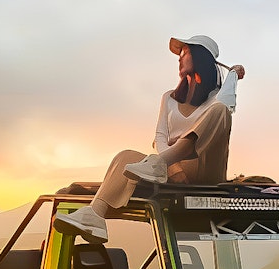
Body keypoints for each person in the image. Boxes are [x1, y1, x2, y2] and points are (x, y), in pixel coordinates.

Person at [54, 34, 245, 243]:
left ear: (201, 57)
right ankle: (95, 214)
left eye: (184, 52)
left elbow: (227, 105)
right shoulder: (169, 98)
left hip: (206, 169)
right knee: (126, 156)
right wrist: (173, 168)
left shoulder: (216, 99)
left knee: (220, 111)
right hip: (171, 168)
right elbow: (159, 137)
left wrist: (233, 75)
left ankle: (159, 163)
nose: (179, 59)